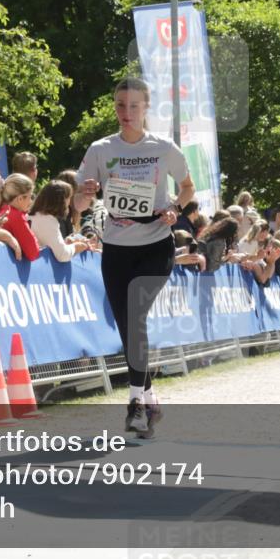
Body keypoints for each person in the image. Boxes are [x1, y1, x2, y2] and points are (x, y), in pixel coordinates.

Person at [77, 77, 194, 437]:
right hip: (116, 249)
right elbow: (79, 204)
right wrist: (86, 193)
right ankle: (149, 397)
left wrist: (175, 208)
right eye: (119, 105)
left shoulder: (163, 147)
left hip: (156, 245)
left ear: (146, 109)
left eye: (133, 106)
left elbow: (187, 187)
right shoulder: (100, 149)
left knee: (134, 316)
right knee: (128, 324)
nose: (125, 112)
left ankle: (135, 405)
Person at [29, 180, 91, 262]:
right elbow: (62, 255)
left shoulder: (38, 216)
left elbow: (50, 245)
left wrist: (67, 242)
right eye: (68, 198)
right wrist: (76, 247)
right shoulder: (48, 221)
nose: (69, 203)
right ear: (60, 201)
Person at [0, 172, 40, 261]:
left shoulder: (3, 210)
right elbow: (33, 253)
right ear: (20, 199)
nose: (31, 201)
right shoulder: (16, 217)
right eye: (30, 196)